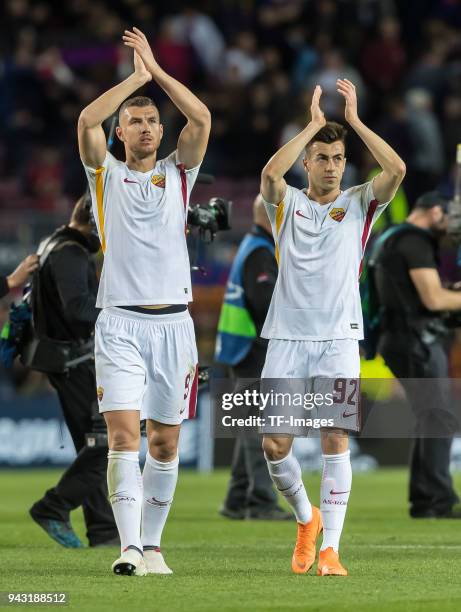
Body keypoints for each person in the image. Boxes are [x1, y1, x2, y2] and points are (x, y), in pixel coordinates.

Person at [259, 80, 406, 576]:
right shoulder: (287, 204)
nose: (329, 165)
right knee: (274, 446)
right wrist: (313, 126)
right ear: (309, 162)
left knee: (334, 438)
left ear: (346, 162)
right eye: (321, 157)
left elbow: (398, 169)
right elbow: (269, 173)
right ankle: (307, 518)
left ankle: (331, 551)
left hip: (340, 339)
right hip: (285, 338)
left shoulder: (362, 202)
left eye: (338, 158)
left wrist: (357, 121)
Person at [78, 27, 210, 576]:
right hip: (120, 326)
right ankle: (128, 547)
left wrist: (156, 74)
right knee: (124, 436)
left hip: (175, 327)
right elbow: (87, 122)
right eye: (135, 120)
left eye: (153, 120)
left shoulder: (180, 174)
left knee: (165, 442)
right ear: (121, 132)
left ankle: (152, 545)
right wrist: (133, 79)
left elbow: (200, 119)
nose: (148, 127)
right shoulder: (103, 175)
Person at [29, 196, 118, 548]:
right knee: (105, 444)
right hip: (74, 361)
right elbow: (78, 308)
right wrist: (119, 312)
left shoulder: (54, 242)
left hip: (65, 360)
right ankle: (53, 506)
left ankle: (104, 531)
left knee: (92, 445)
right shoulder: (70, 253)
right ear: (93, 224)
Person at [374, 191, 461, 518]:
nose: (450, 224)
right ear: (435, 211)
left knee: (430, 417)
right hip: (414, 340)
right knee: (439, 417)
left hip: (399, 338)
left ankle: (425, 499)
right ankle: (436, 501)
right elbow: (433, 300)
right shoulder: (414, 241)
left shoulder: (392, 237)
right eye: (447, 216)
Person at [215, 195, 291, 521]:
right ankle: (261, 502)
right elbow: (264, 305)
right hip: (252, 347)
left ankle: (236, 501)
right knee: (260, 425)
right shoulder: (261, 252)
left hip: (239, 345)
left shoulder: (252, 245)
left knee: (249, 424)